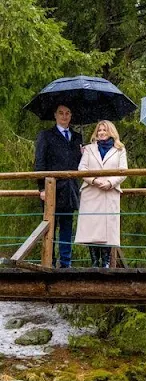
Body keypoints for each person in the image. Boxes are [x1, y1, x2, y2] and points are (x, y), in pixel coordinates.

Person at [34, 105, 83, 268]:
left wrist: (84, 154)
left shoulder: (77, 137)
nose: (64, 116)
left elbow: (80, 164)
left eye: (68, 113)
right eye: (61, 113)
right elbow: (39, 162)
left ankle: (65, 263)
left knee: (67, 226)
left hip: (70, 188)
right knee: (50, 227)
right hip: (51, 187)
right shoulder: (46, 136)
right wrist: (41, 188)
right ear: (55, 115)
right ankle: (49, 261)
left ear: (71, 115)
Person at [75, 120, 128, 267]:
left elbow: (123, 171)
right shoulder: (88, 149)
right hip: (92, 191)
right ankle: (94, 261)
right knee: (92, 227)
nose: (102, 133)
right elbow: (82, 169)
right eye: (99, 130)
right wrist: (94, 180)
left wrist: (110, 182)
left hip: (110, 192)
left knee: (108, 228)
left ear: (111, 132)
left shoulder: (120, 149)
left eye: (105, 130)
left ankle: (105, 261)